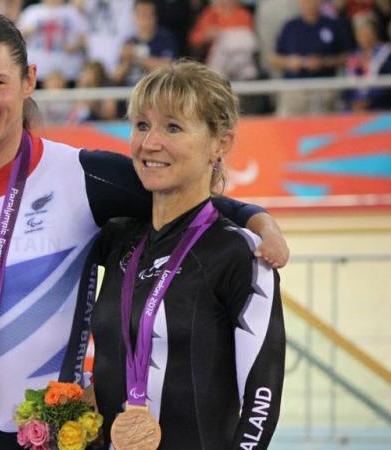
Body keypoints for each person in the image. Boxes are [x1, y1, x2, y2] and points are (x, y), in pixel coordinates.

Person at [0, 10, 288, 449]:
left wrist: (254, 218)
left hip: (50, 437)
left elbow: (182, 197)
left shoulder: (83, 175)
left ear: (29, 80)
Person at [89, 60, 285, 450]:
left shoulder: (239, 254)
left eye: (173, 127)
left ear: (220, 143)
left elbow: (261, 400)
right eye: (142, 125)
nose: (149, 143)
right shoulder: (117, 239)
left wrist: (261, 222)